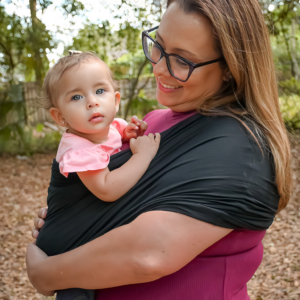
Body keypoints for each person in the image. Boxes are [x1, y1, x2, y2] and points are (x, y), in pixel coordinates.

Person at [26, 0, 293, 299]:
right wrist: (70, 214)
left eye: (182, 61)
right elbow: (104, 191)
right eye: (159, 45)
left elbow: (149, 254)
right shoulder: (152, 122)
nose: (159, 67)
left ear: (231, 68)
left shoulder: (242, 149)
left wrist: (46, 274)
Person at [36, 51, 160, 299]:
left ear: (115, 101)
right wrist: (141, 156)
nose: (91, 102)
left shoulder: (108, 126)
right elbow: (107, 188)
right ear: (60, 117)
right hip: (69, 239)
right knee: (77, 288)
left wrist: (130, 133)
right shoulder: (79, 148)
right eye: (77, 96)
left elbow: (117, 134)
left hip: (84, 227)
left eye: (100, 91)